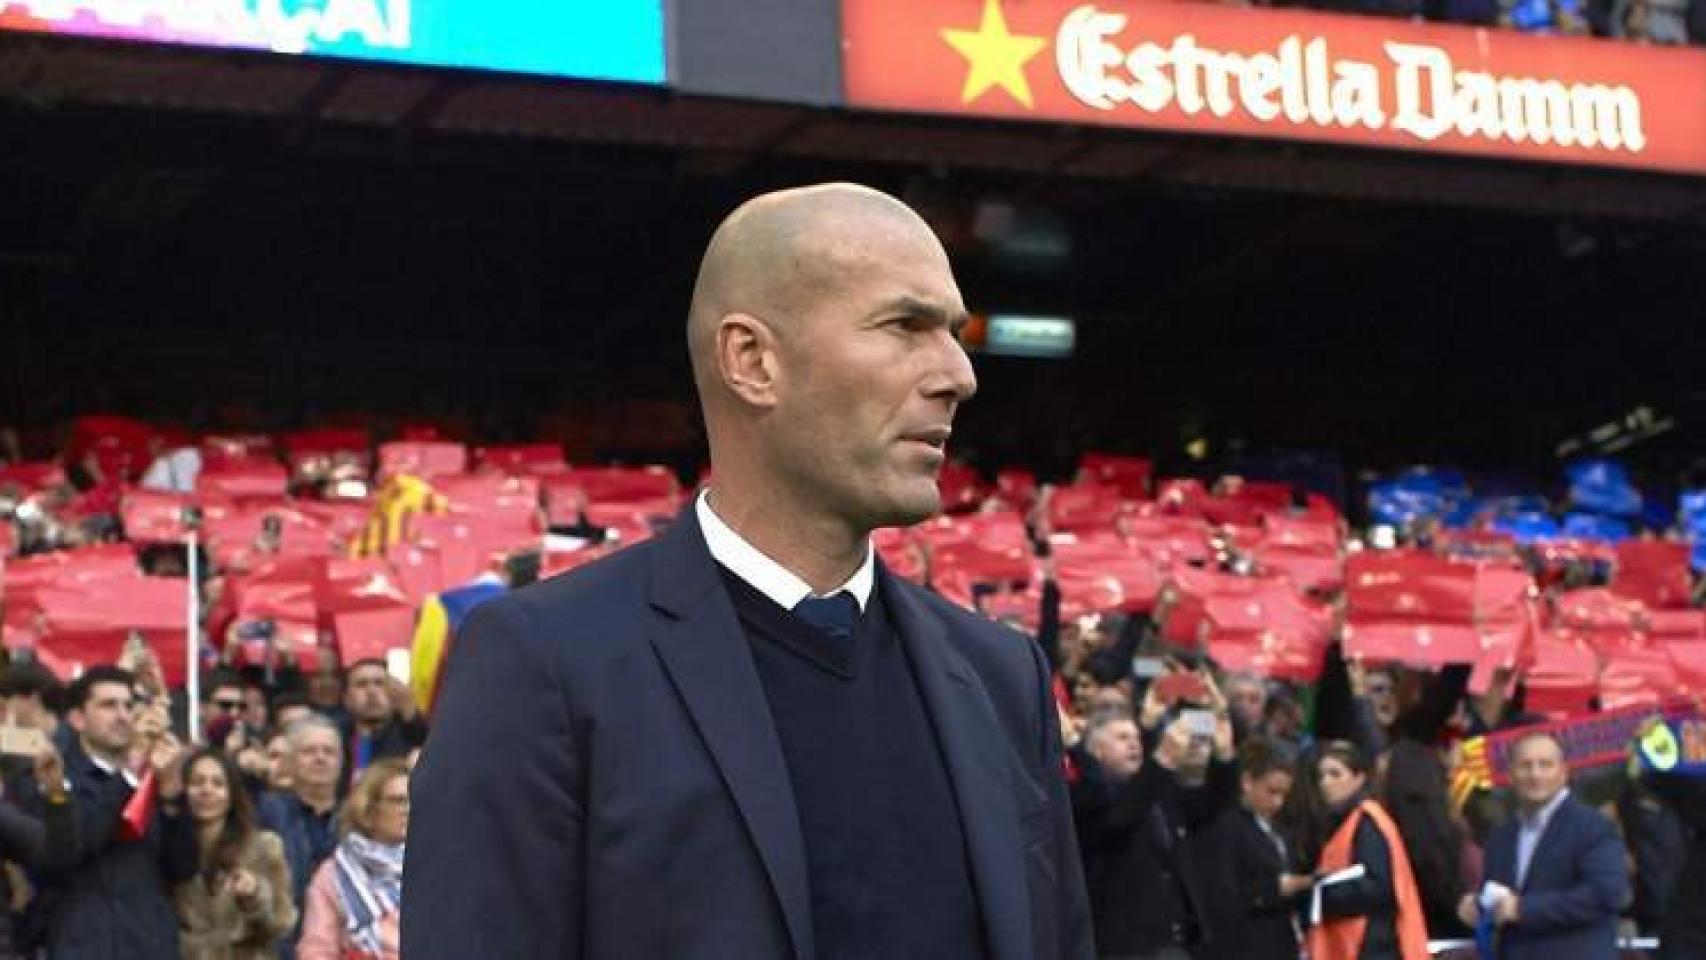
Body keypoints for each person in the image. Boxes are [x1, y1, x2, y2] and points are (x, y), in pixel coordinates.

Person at [405, 183, 1093, 960]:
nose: (958, 374)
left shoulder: (1004, 680)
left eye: (954, 331)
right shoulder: (542, 664)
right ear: (753, 361)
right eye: (906, 326)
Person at [26, 665, 199, 960]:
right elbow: (66, 853)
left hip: (149, 945)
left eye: (128, 706)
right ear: (78, 719)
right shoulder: (55, 777)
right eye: (108, 705)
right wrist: (128, 778)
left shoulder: (154, 779)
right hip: (83, 945)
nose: (122, 715)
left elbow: (182, 867)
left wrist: (171, 799)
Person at [1074, 692, 1238, 958]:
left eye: (1136, 737)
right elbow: (1121, 819)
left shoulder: (1161, 796)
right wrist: (1163, 759)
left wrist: (1224, 754)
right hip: (1125, 946)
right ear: (1096, 751)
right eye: (1122, 738)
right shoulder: (1090, 797)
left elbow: (1215, 802)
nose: (1134, 744)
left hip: (1175, 943)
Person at [1458, 730, 1627, 960]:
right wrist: (1479, 905)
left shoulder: (1594, 828)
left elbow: (1605, 895)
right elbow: (1501, 899)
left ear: (1564, 772)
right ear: (1510, 775)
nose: (1535, 774)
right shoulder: (1501, 837)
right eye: (1525, 766)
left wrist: (1522, 909)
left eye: (1545, 765)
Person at [1309, 740, 1430, 960]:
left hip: (1370, 946)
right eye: (1321, 776)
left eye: (1335, 774)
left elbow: (1378, 885)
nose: (1325, 783)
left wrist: (1321, 893)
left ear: (1359, 778)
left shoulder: (1368, 822)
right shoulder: (1349, 821)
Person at [175, 748, 298, 959]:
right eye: (197, 782)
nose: (207, 790)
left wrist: (255, 897)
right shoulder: (169, 847)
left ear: (232, 795)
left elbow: (281, 923)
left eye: (218, 783)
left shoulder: (263, 847)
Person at [1207, 738, 1311, 960]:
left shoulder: (1280, 829)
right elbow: (1223, 897)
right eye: (1271, 792)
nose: (1278, 802)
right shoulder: (1228, 827)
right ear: (1247, 782)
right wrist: (1273, 890)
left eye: (1284, 794)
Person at [298, 760, 410, 960]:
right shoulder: (335, 873)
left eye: (414, 800)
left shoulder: (438, 866)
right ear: (368, 809)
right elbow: (316, 950)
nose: (408, 809)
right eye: (397, 800)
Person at [257, 716, 343, 958]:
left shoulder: (358, 819)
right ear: (290, 762)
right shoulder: (265, 812)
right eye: (309, 751)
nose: (320, 757)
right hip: (276, 946)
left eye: (329, 751)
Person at [338, 660, 425, 786]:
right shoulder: (334, 737)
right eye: (361, 684)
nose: (372, 692)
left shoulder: (413, 737)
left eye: (380, 683)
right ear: (346, 698)